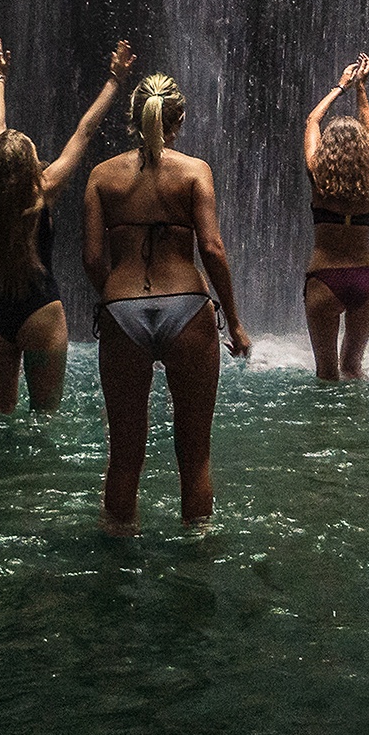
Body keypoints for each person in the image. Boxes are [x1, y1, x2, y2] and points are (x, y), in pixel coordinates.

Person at [82, 71, 249, 532]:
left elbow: (92, 257)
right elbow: (212, 250)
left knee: (123, 458)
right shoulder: (195, 172)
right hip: (188, 310)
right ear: (179, 120)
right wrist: (234, 321)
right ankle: (197, 563)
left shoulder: (101, 177)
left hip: (122, 310)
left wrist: (116, 299)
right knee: (194, 457)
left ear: (132, 118)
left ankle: (115, 561)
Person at [0, 35, 130, 413]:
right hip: (41, 312)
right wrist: (114, 79)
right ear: (29, 167)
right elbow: (84, 132)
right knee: (44, 421)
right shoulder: (44, 189)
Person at [297, 53, 369, 381]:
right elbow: (368, 130)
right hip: (367, 279)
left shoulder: (318, 175)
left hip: (325, 279)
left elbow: (312, 122)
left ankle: (326, 432)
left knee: (327, 375)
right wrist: (361, 89)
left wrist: (341, 86)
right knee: (353, 369)